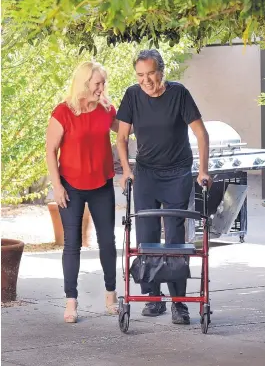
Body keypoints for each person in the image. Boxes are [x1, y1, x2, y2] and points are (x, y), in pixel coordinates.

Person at [116, 49, 211, 325]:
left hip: (177, 174)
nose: (146, 80)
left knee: (174, 240)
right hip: (146, 174)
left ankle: (179, 304)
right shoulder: (133, 95)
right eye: (140, 75)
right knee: (145, 235)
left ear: (162, 71)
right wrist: (127, 170)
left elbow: (201, 134)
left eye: (150, 74)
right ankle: (153, 297)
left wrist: (202, 170)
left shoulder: (179, 94)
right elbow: (122, 138)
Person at [46, 61, 120, 323]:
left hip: (101, 184)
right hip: (71, 187)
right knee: (72, 244)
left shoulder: (107, 110)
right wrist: (57, 186)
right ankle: (71, 301)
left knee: (108, 241)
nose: (102, 88)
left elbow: (125, 130)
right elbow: (50, 151)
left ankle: (111, 295)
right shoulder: (63, 112)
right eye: (97, 83)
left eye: (103, 83)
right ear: (84, 83)